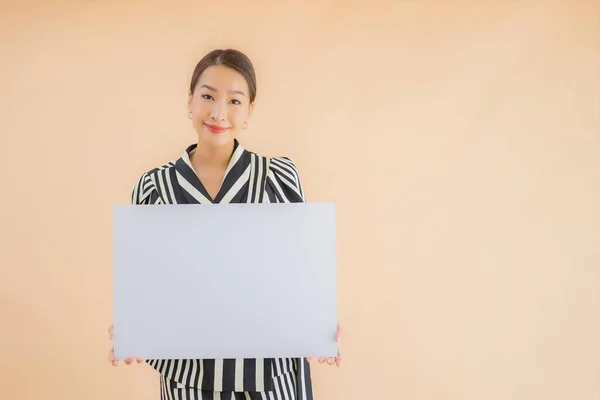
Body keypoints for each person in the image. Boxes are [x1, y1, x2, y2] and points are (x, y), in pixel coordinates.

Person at [107, 48, 342, 400]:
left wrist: (319, 329)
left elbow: (299, 273)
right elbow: (150, 283)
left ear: (249, 110)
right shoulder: (153, 187)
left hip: (272, 376)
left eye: (234, 101)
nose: (219, 113)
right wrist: (132, 330)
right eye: (207, 96)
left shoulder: (278, 177)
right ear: (190, 101)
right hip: (188, 380)